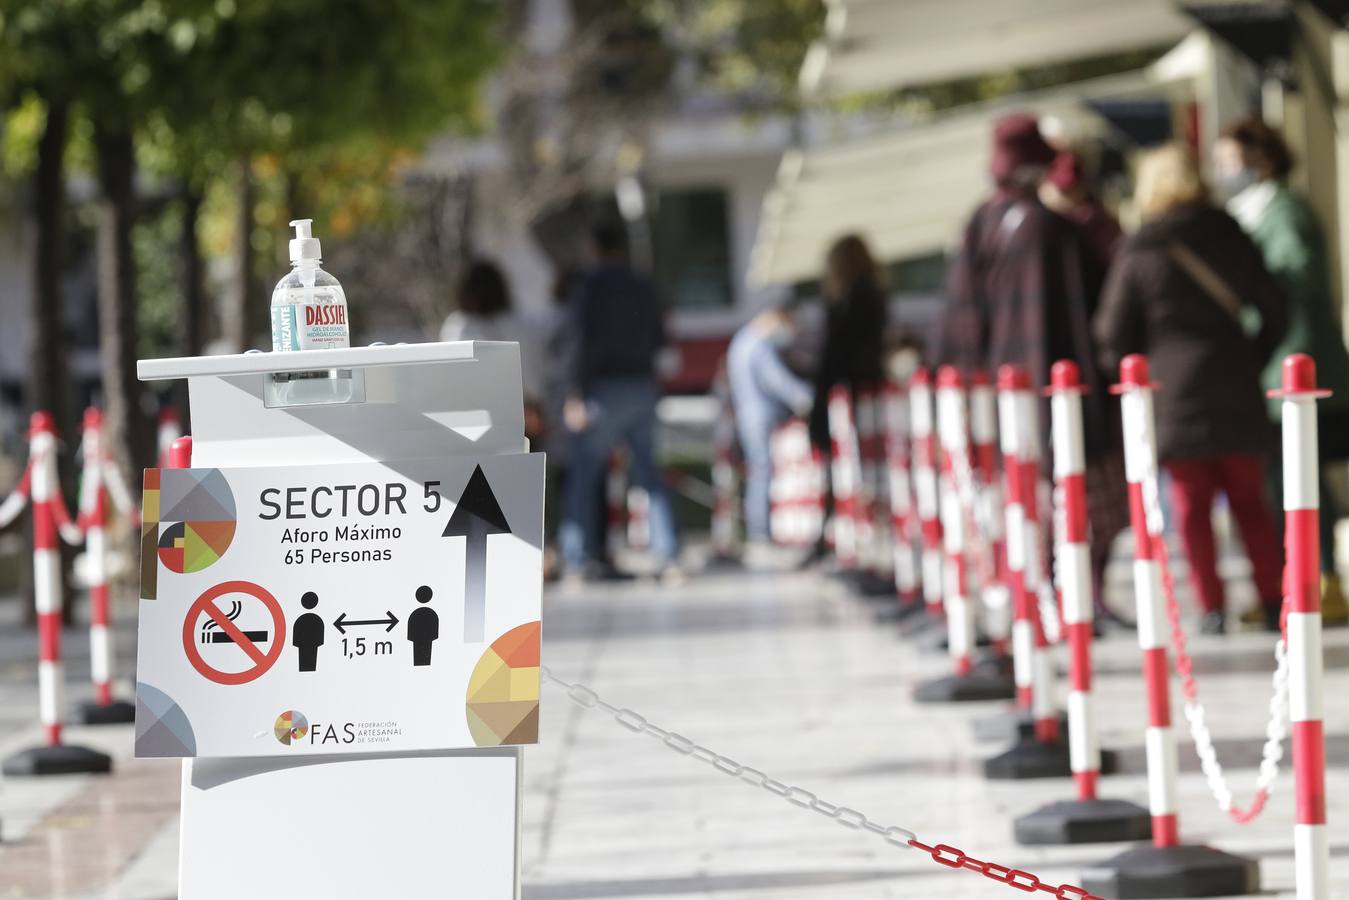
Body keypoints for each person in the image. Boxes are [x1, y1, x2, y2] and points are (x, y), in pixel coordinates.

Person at [938, 114, 1128, 625]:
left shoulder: (984, 219)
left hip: (1008, 388)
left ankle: (1049, 604)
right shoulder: (1047, 227)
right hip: (1063, 386)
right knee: (1079, 500)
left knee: (1033, 504)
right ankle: (1072, 600)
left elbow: (962, 320)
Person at [1094, 143, 1288, 634]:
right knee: (1250, 500)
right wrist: (1252, 356)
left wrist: (1145, 372)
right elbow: (1276, 308)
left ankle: (1213, 608)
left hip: (1174, 389)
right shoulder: (1229, 233)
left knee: (1191, 506)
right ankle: (1271, 598)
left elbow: (1112, 334)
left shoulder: (1140, 249)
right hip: (1234, 379)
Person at [1214, 117, 1349, 625]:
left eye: (1233, 160)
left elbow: (1297, 275)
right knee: (1283, 479)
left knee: (1300, 477)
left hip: (1294, 364)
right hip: (1270, 363)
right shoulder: (1251, 210)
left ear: (1262, 158)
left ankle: (1323, 580)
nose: (1226, 171)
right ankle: (1298, 582)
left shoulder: (1282, 209)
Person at [557, 221, 681, 582]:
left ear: (594, 247)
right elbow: (660, 337)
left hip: (603, 388)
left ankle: (577, 558)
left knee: (584, 475)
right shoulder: (643, 284)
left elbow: (581, 340)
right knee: (649, 475)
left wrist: (574, 392)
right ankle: (667, 553)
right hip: (642, 386)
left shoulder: (590, 287)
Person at [802, 235, 887, 565]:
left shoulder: (850, 300)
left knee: (849, 468)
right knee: (854, 468)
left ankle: (851, 543)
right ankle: (848, 541)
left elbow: (836, 351)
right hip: (858, 389)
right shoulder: (871, 296)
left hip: (845, 392)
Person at [727, 303, 814, 552]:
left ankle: (758, 530)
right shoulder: (758, 345)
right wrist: (806, 398)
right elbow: (777, 381)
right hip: (760, 415)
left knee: (758, 470)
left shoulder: (740, 342)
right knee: (762, 470)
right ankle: (760, 531)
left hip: (747, 414)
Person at [441, 260, 547, 443]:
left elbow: (449, 376)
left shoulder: (457, 327)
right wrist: (534, 403)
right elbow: (529, 370)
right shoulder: (516, 324)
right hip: (513, 415)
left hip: (470, 420)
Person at [292, 591, 324, 673]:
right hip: (307, 646)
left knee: (308, 664)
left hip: (307, 646)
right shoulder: (316, 619)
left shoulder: (301, 620)